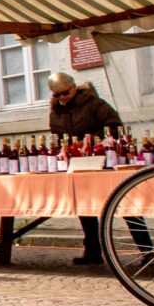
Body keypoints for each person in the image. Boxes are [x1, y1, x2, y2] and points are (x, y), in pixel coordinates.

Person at [48, 70, 126, 265]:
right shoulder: (56, 112)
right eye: (57, 95)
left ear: (74, 88)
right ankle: (92, 250)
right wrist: (63, 148)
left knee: (125, 201)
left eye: (65, 93)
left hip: (102, 159)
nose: (62, 97)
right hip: (78, 162)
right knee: (83, 204)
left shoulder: (94, 104)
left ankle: (146, 248)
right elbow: (56, 136)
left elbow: (114, 126)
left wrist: (94, 139)